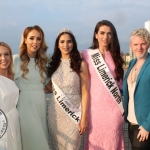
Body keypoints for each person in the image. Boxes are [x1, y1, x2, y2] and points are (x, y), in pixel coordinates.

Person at [82, 20, 125, 150]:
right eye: (102, 33)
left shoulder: (118, 55)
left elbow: (121, 84)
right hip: (94, 110)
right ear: (96, 34)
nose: (105, 37)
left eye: (109, 34)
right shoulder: (86, 54)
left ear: (113, 36)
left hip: (114, 110)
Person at [47, 28, 88, 150]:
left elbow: (85, 92)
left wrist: (84, 118)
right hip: (55, 114)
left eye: (69, 41)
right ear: (57, 45)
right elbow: (48, 87)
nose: (66, 45)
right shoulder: (52, 64)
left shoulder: (81, 64)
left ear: (73, 43)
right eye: (62, 41)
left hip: (74, 114)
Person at [13, 25, 50, 150]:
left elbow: (49, 87)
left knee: (41, 137)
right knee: (35, 140)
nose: (35, 42)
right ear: (25, 39)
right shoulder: (15, 60)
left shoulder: (44, 61)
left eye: (38, 39)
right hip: (25, 105)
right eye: (31, 38)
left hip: (41, 104)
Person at [123, 28, 150, 150]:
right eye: (136, 44)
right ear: (131, 46)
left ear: (148, 44)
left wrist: (147, 126)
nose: (139, 47)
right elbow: (130, 90)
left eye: (143, 44)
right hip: (131, 121)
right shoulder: (132, 63)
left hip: (144, 125)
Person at [0, 42, 22, 150]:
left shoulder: (13, 75)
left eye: (6, 54)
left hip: (15, 121)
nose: (3, 58)